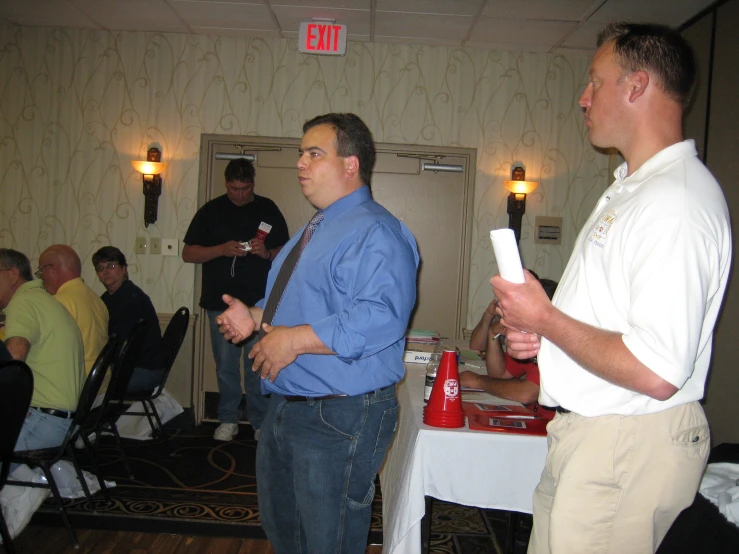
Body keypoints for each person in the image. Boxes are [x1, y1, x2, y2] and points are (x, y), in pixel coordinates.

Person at [491, 22, 732, 554]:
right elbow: (614, 330)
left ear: (637, 85)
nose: (583, 98)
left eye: (594, 81)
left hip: (626, 443)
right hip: (600, 439)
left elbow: (657, 370)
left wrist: (546, 318)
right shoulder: (635, 189)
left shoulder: (676, 201)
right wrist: (543, 335)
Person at [215, 113, 419, 553]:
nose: (300, 163)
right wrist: (254, 316)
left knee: (329, 542)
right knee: (287, 534)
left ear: (350, 164)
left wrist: (293, 340)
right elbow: (296, 308)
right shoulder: (316, 228)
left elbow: (381, 317)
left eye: (314, 153)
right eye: (300, 153)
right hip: (289, 408)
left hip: (340, 415)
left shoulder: (376, 230)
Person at [183, 158, 289, 442]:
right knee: (226, 366)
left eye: (245, 188)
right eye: (234, 188)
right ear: (226, 184)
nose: (240, 194)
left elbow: (288, 254)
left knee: (257, 365)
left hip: (260, 304)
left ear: (253, 183)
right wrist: (221, 249)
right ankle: (227, 419)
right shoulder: (211, 210)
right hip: (221, 303)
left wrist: (265, 253)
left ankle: (259, 421)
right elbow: (188, 254)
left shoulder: (267, 209)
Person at [0, 248, 85, 451]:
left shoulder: (23, 303)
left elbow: (15, 358)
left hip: (43, 422)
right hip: (65, 420)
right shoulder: (42, 299)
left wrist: (13, 404)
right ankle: (36, 478)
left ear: (13, 275)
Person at [461, 278, 557, 420]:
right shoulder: (531, 341)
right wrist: (492, 334)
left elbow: (526, 394)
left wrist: (478, 381)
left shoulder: (555, 345)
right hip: (531, 417)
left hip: (550, 428)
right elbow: (499, 374)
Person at [92, 246, 165, 392]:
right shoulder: (107, 298)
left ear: (124, 269)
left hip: (143, 370)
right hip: (133, 367)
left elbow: (120, 345)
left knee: (87, 383)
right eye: (100, 268)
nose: (105, 272)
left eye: (111, 266)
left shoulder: (131, 299)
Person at [37, 244, 109, 375]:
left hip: (77, 385)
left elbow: (47, 352)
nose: (41, 279)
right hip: (101, 383)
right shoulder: (97, 300)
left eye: (41, 272)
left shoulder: (58, 303)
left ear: (52, 271)